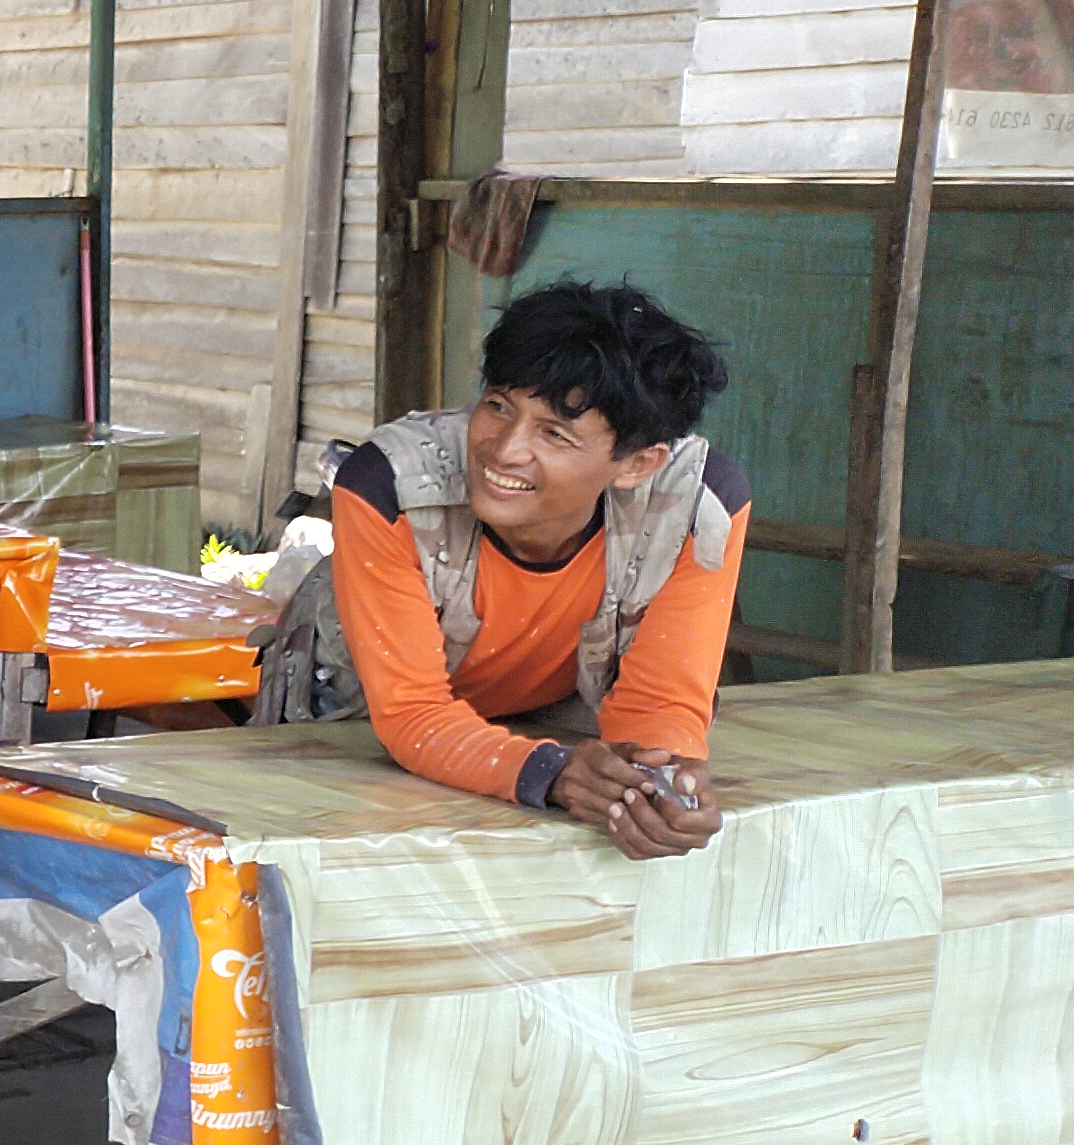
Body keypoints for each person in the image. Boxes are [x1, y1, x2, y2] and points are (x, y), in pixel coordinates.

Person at [274, 277, 748, 861]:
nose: (504, 450)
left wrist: (659, 787)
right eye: (497, 406)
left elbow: (660, 701)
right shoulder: (386, 485)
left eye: (554, 433)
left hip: (542, 718)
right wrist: (551, 773)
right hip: (352, 718)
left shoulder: (699, 506)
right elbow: (410, 713)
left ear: (636, 464)